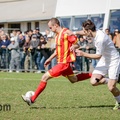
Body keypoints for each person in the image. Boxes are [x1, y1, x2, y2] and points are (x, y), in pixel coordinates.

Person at [22, 18, 92, 106]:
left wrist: (74, 47)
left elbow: (77, 44)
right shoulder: (57, 35)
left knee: (44, 77)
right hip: (62, 63)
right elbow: (57, 51)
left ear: (55, 25)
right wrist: (49, 59)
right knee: (74, 79)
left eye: (50, 27)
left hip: (64, 64)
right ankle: (94, 74)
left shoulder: (66, 32)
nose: (50, 29)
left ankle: (32, 99)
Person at [69, 19, 120, 110]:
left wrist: (83, 54)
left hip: (113, 60)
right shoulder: (93, 32)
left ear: (89, 31)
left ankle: (119, 102)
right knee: (94, 82)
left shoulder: (100, 39)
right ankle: (114, 79)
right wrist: (73, 32)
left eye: (85, 31)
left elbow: (97, 56)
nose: (84, 33)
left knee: (111, 87)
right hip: (104, 59)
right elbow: (83, 32)